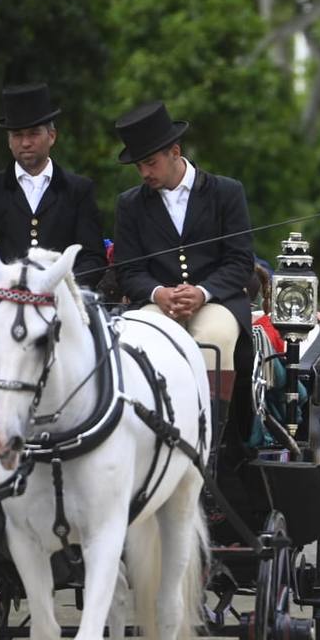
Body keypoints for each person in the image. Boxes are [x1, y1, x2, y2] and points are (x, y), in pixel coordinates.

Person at [111, 100, 256, 448]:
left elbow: (240, 261)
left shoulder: (226, 192)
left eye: (150, 162)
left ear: (175, 152)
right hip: (157, 303)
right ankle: (145, 439)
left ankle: (210, 445)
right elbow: (129, 270)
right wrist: (158, 293)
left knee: (214, 340)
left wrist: (203, 292)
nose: (144, 173)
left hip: (216, 300)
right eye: (139, 166)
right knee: (137, 340)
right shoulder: (130, 204)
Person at [0, 83, 105, 293]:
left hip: (61, 297)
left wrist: (59, 288)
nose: (25, 143)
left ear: (52, 136)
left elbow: (92, 257)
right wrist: (9, 287)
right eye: (17, 135)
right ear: (9, 141)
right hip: (3, 295)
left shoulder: (78, 189)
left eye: (33, 134)